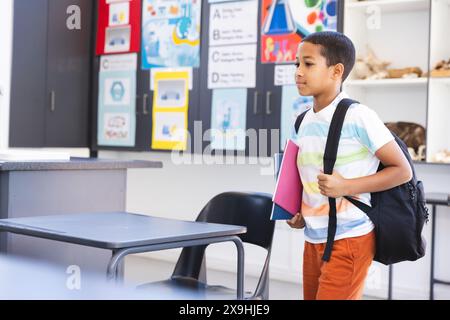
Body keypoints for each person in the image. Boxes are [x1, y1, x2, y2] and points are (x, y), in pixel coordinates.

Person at [286, 31, 412, 300]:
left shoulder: (359, 117)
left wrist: (346, 186)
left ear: (336, 71)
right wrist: (298, 211)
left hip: (350, 237)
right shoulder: (302, 121)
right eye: (296, 64)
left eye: (308, 64)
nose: (298, 71)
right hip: (313, 237)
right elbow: (308, 178)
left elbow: (402, 171)